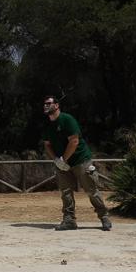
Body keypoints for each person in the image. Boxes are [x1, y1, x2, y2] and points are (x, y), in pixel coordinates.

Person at [41, 96, 112, 231]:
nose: (45, 106)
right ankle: (69, 221)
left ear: (56, 105)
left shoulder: (67, 120)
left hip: (81, 160)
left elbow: (74, 142)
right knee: (66, 192)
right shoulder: (47, 126)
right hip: (62, 163)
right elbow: (47, 145)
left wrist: (63, 160)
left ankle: (104, 217)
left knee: (91, 190)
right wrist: (56, 160)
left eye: (49, 103)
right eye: (44, 104)